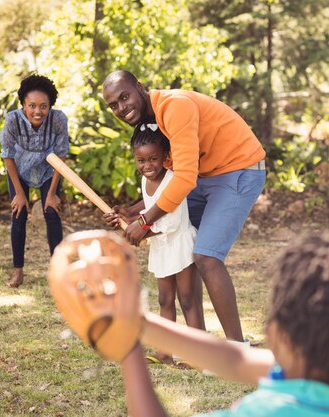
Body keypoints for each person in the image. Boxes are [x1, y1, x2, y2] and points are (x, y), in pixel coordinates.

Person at [121, 231, 329, 417]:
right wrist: (142, 324)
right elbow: (237, 360)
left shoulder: (267, 411)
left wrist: (128, 348)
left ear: (279, 333)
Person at [102, 70, 266, 342]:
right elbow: (172, 182)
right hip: (205, 176)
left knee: (206, 257)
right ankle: (197, 343)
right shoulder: (150, 124)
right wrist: (131, 212)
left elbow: (184, 178)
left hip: (239, 169)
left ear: (140, 88)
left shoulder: (174, 106)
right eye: (113, 105)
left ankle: (237, 349)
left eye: (124, 97)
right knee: (185, 248)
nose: (121, 108)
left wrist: (144, 222)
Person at [105, 122, 205, 365]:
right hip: (162, 248)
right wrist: (125, 213)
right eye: (141, 161)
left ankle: (199, 354)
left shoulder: (173, 180)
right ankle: (165, 352)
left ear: (166, 157)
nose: (147, 166)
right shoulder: (146, 180)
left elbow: (170, 222)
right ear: (135, 159)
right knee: (164, 300)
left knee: (188, 299)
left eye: (153, 159)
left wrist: (140, 232)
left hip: (179, 244)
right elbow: (149, 206)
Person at [0, 74, 69, 288]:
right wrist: (20, 194)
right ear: (23, 105)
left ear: (50, 106)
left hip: (49, 170)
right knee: (18, 214)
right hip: (20, 170)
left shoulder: (58, 119)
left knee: (52, 212)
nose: (37, 111)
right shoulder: (12, 120)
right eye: (32, 105)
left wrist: (51, 194)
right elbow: (7, 156)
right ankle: (18, 271)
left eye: (43, 106)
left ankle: (58, 272)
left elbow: (61, 155)